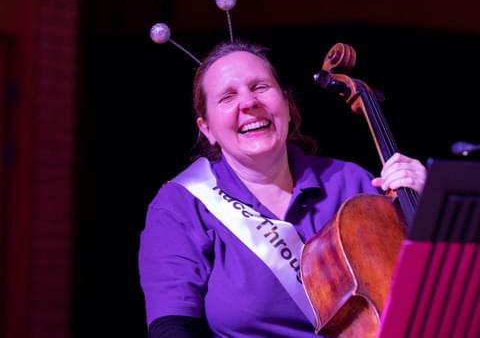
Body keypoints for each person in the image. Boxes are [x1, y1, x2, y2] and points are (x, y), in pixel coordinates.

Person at [138, 40, 427, 337]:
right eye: (227, 97)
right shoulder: (182, 205)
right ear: (207, 129)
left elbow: (432, 293)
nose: (249, 103)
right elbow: (171, 327)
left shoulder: (352, 183)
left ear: (287, 106)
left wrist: (427, 209)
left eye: (260, 87)